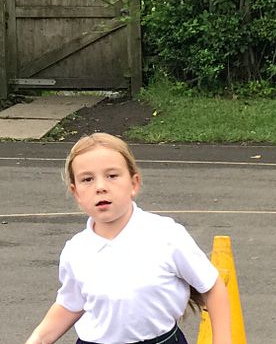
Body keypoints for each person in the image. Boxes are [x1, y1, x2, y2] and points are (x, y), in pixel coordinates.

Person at [25, 133, 231, 344]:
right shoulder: (76, 250)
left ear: (134, 183)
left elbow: (213, 287)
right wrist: (39, 338)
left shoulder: (166, 235)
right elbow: (71, 303)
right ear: (76, 193)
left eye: (112, 175)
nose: (100, 187)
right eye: (87, 179)